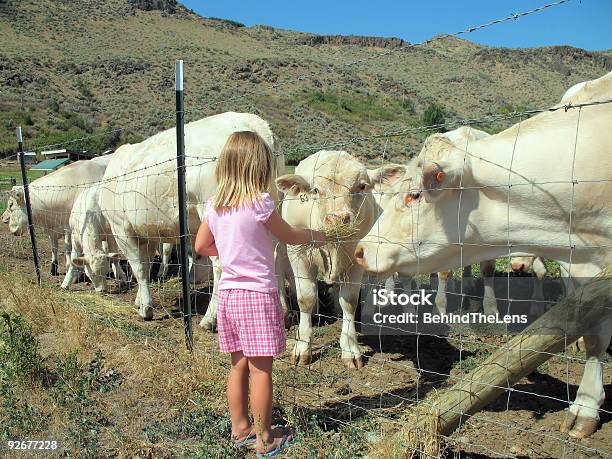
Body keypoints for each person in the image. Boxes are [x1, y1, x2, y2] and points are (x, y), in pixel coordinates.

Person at [194, 131, 326, 457]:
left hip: (228, 295)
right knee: (262, 370)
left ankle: (240, 428)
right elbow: (290, 236)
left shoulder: (214, 206)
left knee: (238, 366)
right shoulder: (260, 203)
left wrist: (227, 252)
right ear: (260, 167)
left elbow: (200, 246)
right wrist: (317, 234)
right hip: (257, 296)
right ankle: (265, 439)